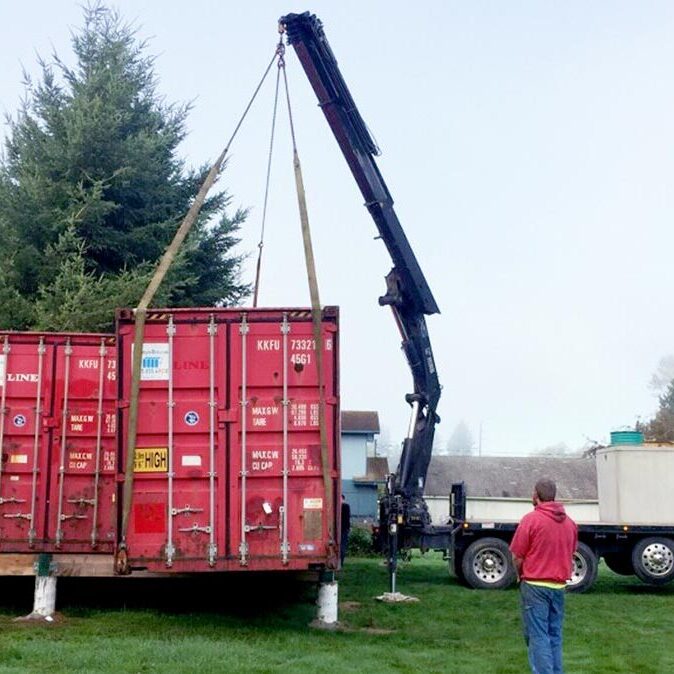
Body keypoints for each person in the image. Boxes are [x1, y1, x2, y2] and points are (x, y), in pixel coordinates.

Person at [510, 478, 578, 674]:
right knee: (554, 635)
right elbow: (571, 553)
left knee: (538, 635)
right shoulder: (570, 524)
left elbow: (517, 555)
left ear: (536, 495)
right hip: (558, 587)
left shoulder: (531, 520)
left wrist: (519, 573)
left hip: (534, 585)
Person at [340, 494, 351, 566]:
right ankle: (341, 562)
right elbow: (348, 519)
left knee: (342, 546)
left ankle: (340, 561)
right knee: (343, 545)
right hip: (344, 529)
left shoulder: (338, 506)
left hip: (341, 528)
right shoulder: (346, 506)